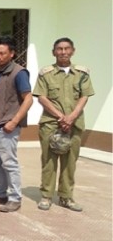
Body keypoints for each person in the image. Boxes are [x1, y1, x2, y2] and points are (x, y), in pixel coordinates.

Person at [32, 37, 94, 212]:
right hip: (51, 124)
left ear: (73, 51)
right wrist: (61, 117)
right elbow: (42, 98)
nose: (63, 52)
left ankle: (66, 197)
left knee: (70, 162)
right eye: (59, 49)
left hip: (74, 124)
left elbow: (84, 96)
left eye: (67, 49)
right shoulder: (46, 73)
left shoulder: (82, 74)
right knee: (48, 161)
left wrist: (72, 117)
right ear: (54, 52)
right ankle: (46, 196)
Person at [0, 36, 33, 213]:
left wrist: (14, 121)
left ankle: (14, 198)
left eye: (2, 53)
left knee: (9, 163)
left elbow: (28, 99)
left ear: (12, 53)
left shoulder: (19, 73)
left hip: (6, 125)